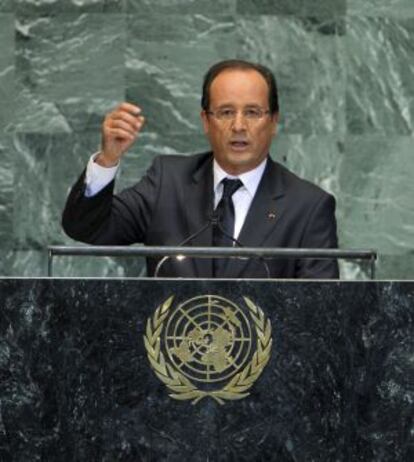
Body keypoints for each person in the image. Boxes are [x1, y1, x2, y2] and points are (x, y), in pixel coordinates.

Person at [62, 59, 339, 278]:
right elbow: (87, 229)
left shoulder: (308, 206)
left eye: (252, 112)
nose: (239, 126)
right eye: (226, 112)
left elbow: (321, 311)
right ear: (206, 121)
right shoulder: (167, 182)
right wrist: (108, 159)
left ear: (274, 121)